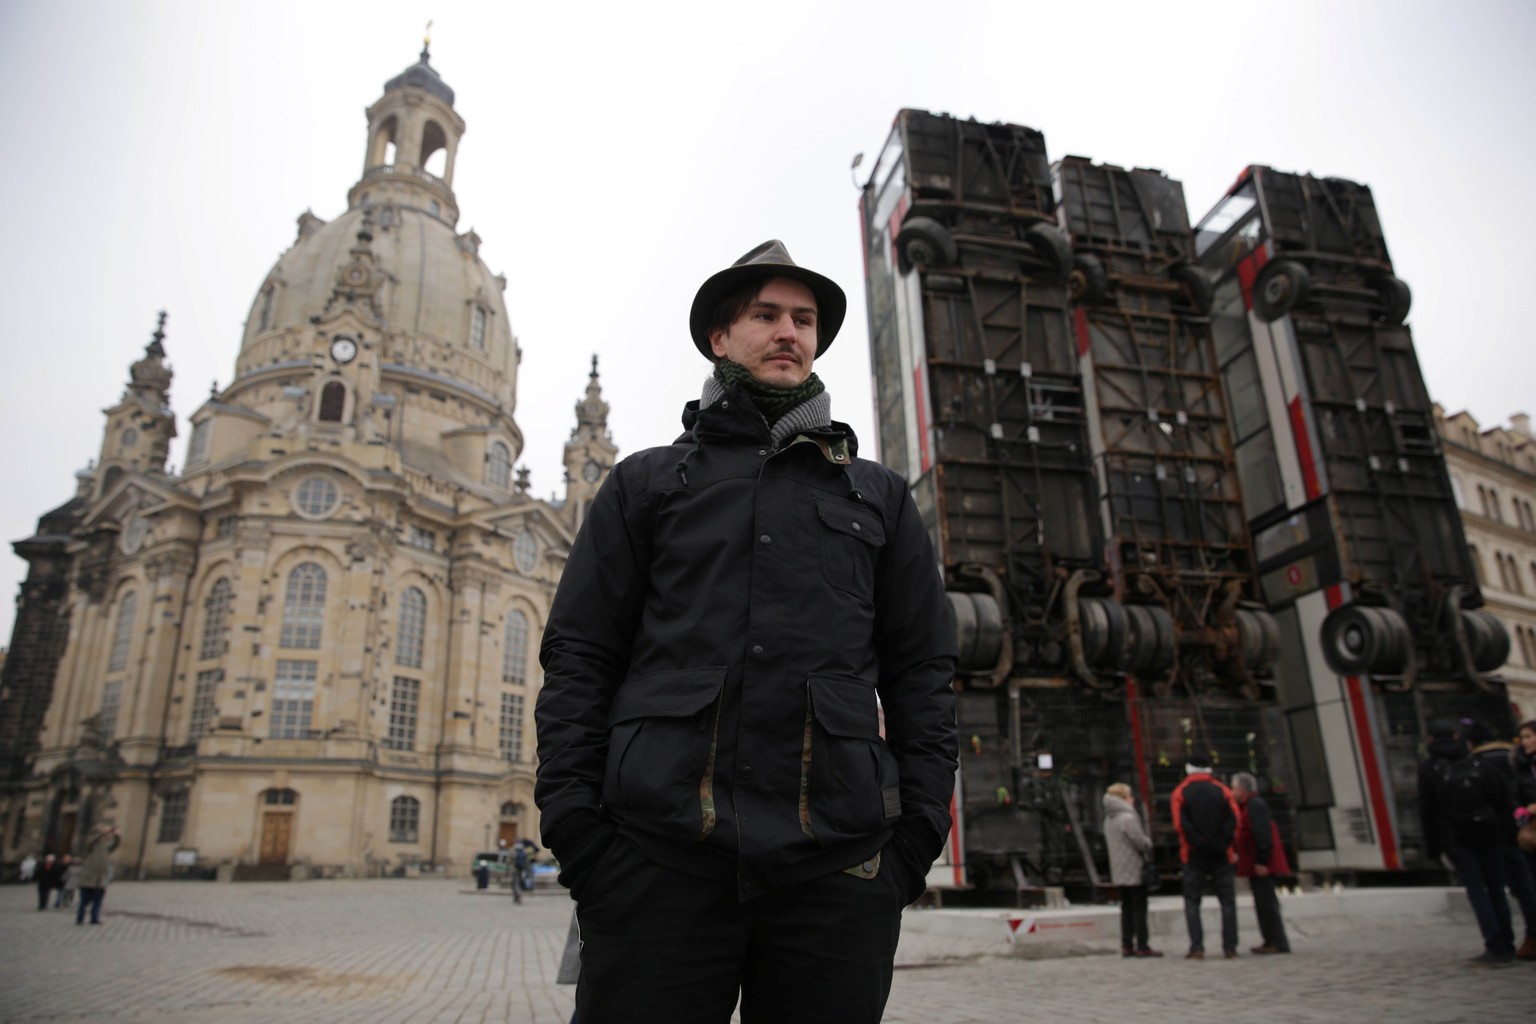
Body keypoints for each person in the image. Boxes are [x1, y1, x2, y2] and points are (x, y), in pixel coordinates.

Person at [534, 239, 959, 1024]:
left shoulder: (878, 498)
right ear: (720, 338)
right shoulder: (649, 483)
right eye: (764, 314)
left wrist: (912, 843)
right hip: (657, 862)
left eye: (803, 318)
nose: (788, 331)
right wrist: (582, 836)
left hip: (834, 873)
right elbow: (580, 657)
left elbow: (923, 673)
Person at [1418, 718, 1515, 965]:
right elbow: (1502, 801)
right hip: (1489, 834)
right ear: (1457, 738)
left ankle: (1494, 946)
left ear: (1430, 740)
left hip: (1457, 838)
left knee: (1476, 891)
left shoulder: (1430, 768)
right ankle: (1508, 943)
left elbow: (1427, 811)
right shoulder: (1478, 763)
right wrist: (1507, 835)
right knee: (1496, 890)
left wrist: (1433, 849)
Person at [1464, 719, 1536, 960]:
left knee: (1522, 887)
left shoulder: (1483, 764)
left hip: (1509, 835)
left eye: (1527, 736)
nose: (1524, 742)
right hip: (1523, 833)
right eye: (1522, 737)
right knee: (1526, 887)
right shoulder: (1517, 760)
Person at [1171, 753, 1239, 959]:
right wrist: (1223, 843)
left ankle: (1197, 947)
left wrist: (1197, 842)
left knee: (1192, 901)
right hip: (1221, 853)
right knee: (1227, 902)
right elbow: (1234, 820)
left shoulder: (1181, 792)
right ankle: (1230, 947)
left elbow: (1180, 825)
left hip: (1193, 854)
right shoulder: (1223, 790)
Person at [1231, 772, 1291, 954]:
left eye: (1234, 788)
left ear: (1243, 789)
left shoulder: (1255, 806)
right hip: (1257, 863)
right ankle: (1270, 940)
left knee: (1267, 903)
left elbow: (1262, 835)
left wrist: (1261, 860)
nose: (1232, 791)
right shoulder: (1250, 805)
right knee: (1262, 903)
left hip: (1261, 864)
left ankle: (1277, 941)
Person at [1102, 782, 1162, 958]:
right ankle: (1142, 944)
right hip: (1134, 868)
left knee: (1126, 907)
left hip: (1119, 868)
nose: (1132, 799)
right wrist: (1148, 842)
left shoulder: (1109, 818)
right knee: (1139, 907)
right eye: (1129, 796)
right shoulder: (1127, 818)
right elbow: (1140, 842)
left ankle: (1126, 944)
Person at [76, 824, 120, 925]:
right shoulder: (89, 847)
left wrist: (116, 836)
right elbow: (91, 840)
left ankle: (94, 918)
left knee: (97, 902)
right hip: (87, 880)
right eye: (102, 836)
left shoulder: (105, 847)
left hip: (100, 880)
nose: (104, 838)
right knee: (84, 902)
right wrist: (102, 832)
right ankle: (80, 919)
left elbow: (115, 845)